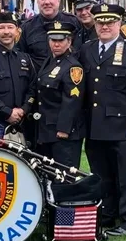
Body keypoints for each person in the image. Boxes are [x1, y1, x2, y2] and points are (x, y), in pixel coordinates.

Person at [79, 2, 126, 236]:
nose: (105, 26)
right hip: (96, 126)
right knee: (102, 175)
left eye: (110, 22)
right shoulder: (87, 49)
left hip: (124, 127)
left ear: (120, 24)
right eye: (100, 22)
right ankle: (108, 213)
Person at [26, 20, 85, 168]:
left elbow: (72, 101)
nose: (56, 44)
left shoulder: (73, 67)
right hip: (47, 129)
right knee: (49, 174)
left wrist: (64, 129)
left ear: (69, 41)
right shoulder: (50, 61)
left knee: (64, 177)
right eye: (53, 40)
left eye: (60, 40)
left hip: (62, 132)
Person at [21, 0, 81, 64]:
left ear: (59, 0)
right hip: (38, 75)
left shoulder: (74, 22)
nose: (46, 2)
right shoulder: (27, 27)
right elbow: (21, 57)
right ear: (37, 1)